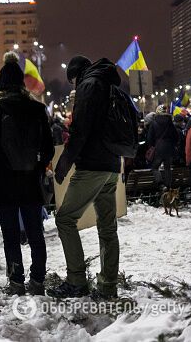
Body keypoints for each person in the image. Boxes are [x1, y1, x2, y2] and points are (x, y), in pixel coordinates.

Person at [0, 52, 54, 296]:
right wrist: (38, 167)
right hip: (30, 180)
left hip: (4, 181)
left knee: (10, 234)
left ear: (1, 85)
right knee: (34, 232)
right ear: (22, 82)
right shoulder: (37, 108)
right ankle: (38, 279)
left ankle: (16, 280)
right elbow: (49, 147)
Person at [49, 56, 122, 299]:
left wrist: (63, 165)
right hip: (112, 164)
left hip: (92, 165)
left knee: (65, 219)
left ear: (77, 75)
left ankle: (77, 280)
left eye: (72, 81)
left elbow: (81, 130)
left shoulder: (89, 86)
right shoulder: (109, 83)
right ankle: (108, 285)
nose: (73, 86)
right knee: (107, 227)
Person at [147, 105, 178, 189]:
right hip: (169, 148)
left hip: (158, 148)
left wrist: (151, 146)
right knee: (167, 168)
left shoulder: (154, 122)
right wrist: (172, 144)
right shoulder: (170, 122)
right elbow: (175, 136)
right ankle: (168, 186)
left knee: (155, 167)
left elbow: (149, 138)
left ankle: (161, 184)